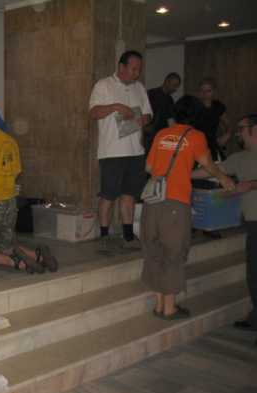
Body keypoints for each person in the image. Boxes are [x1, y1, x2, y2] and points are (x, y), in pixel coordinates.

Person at [142, 95, 235, 320]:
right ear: (197, 116)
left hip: (152, 201)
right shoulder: (195, 136)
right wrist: (223, 178)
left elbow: (149, 167)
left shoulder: (162, 134)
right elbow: (208, 164)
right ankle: (169, 309)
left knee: (154, 251)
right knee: (174, 252)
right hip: (176, 202)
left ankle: (159, 305)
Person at [0, 106, 58, 273]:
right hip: (10, 202)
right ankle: (37, 256)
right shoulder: (10, 141)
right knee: (5, 244)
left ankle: (17, 263)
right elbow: (16, 172)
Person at [193, 113, 257, 331]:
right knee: (253, 273)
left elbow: (249, 185)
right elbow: (212, 170)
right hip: (252, 223)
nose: (237, 133)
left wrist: (251, 184)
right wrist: (181, 173)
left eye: (242, 129)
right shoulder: (239, 158)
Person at [89, 50, 153, 253]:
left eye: (139, 69)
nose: (136, 73)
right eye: (133, 69)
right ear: (121, 67)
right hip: (112, 152)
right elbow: (93, 112)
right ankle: (104, 237)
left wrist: (143, 119)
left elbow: (148, 114)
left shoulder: (139, 88)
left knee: (129, 195)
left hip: (136, 151)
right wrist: (116, 107)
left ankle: (128, 235)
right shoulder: (103, 85)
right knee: (108, 195)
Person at [195, 78, 231, 161]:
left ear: (214, 91)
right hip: (196, 143)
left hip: (212, 143)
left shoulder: (218, 106)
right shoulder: (193, 106)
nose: (205, 93)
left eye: (208, 91)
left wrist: (227, 134)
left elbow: (227, 123)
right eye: (202, 90)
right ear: (198, 92)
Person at [145, 72, 181, 153]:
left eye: (177, 86)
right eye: (174, 85)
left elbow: (171, 120)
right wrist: (145, 127)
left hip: (162, 137)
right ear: (167, 81)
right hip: (149, 136)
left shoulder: (169, 100)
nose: (175, 89)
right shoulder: (151, 94)